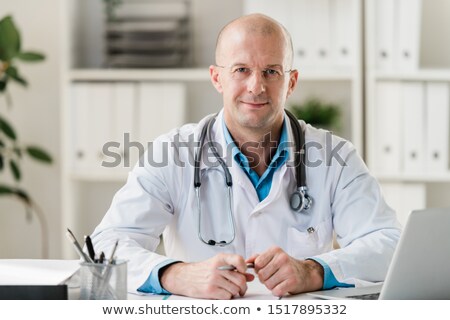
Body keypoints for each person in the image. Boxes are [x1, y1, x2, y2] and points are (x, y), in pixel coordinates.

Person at [91, 14, 401, 299]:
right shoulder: (171, 153)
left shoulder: (336, 157)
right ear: (217, 78)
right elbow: (106, 246)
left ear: (291, 82)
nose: (256, 86)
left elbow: (389, 244)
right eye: (241, 70)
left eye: (271, 71)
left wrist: (313, 270)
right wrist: (176, 275)